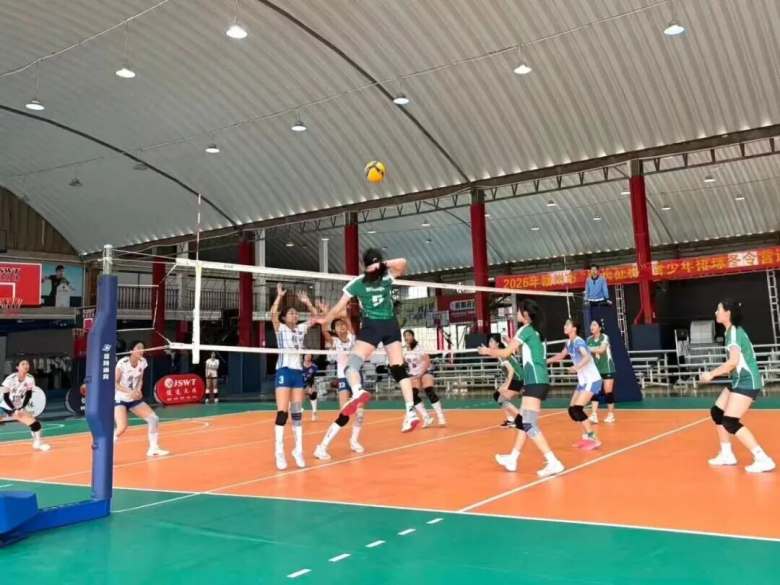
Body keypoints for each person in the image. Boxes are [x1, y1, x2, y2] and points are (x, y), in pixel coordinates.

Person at [314, 249, 420, 433]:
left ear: (364, 264)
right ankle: (410, 411)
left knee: (351, 366)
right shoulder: (386, 276)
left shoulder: (358, 282)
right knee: (398, 369)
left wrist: (325, 320)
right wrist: (382, 265)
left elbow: (338, 308)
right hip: (391, 325)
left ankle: (357, 390)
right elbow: (403, 261)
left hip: (373, 326)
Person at [478, 299, 564, 476]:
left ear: (525, 314)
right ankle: (513, 458)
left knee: (529, 424)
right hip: (537, 380)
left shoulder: (525, 329)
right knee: (523, 421)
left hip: (535, 381)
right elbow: (522, 351)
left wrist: (487, 351)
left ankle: (553, 462)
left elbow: (505, 352)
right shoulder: (537, 332)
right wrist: (511, 342)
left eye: (518, 311)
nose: (516, 313)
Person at [700, 299, 775, 473]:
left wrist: (711, 374)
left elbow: (733, 362)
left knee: (730, 421)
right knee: (717, 412)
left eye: (718, 309)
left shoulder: (733, 333)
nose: (716, 312)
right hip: (738, 380)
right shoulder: (730, 332)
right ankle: (726, 454)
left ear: (728, 314)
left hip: (747, 382)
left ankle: (762, 458)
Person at [271, 283, 317, 470]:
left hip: (297, 373)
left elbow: (316, 318)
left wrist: (308, 303)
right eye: (291, 313)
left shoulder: (301, 329)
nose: (295, 315)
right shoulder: (280, 328)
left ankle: (298, 450)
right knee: (283, 412)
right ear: (284, 317)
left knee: (297, 413)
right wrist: (279, 297)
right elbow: (273, 314)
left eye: (296, 313)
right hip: (284, 371)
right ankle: (279, 451)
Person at [315, 309, 367, 459]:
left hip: (357, 377)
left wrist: (336, 313)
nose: (341, 327)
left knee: (360, 414)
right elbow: (324, 330)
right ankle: (322, 446)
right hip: (344, 378)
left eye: (342, 325)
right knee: (344, 414)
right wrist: (326, 315)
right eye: (338, 326)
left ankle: (354, 441)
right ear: (335, 330)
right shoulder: (335, 341)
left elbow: (347, 319)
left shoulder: (352, 337)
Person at [548, 320, 602, 451]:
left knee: (577, 409)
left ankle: (593, 438)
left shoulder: (579, 341)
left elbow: (587, 357)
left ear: (574, 328)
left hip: (592, 379)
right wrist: (544, 361)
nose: (564, 326)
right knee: (572, 410)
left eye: (567, 324)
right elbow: (561, 355)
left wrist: (576, 367)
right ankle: (586, 438)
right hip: (583, 381)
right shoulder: (569, 343)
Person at [114, 341, 169, 457]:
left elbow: (140, 379)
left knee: (153, 419)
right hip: (120, 398)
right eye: (138, 348)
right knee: (122, 427)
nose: (141, 350)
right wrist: (129, 392)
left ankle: (153, 449)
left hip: (133, 398)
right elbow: (114, 383)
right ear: (131, 350)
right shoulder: (122, 363)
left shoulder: (143, 362)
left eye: (143, 348)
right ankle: (106, 447)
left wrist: (138, 390)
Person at [1, 359, 51, 451]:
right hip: (3, 405)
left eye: (27, 364)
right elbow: (6, 397)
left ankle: (38, 443)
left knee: (35, 424)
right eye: (23, 364)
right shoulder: (10, 379)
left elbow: (28, 395)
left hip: (17, 405)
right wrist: (14, 409)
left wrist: (21, 408)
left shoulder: (30, 379)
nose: (25, 366)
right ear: (17, 367)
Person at [403, 330, 446, 427]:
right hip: (414, 374)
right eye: (405, 336)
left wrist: (420, 374)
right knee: (412, 396)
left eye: (409, 335)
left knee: (429, 391)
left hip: (425, 371)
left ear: (413, 336)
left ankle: (441, 416)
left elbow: (427, 361)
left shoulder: (419, 347)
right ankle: (427, 418)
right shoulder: (404, 350)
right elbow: (402, 362)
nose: (407, 337)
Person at [587, 320, 616, 424]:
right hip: (595, 369)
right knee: (595, 391)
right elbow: (585, 353)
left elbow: (602, 350)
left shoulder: (604, 337)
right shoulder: (589, 340)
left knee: (608, 392)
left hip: (607, 368)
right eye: (591, 325)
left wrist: (588, 349)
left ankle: (611, 415)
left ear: (599, 328)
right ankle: (594, 414)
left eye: (594, 325)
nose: (592, 327)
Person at [492, 334, 523, 429]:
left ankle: (521, 419)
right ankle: (510, 420)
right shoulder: (501, 352)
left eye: (491, 341)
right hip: (514, 378)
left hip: (518, 378)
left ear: (497, 344)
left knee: (501, 399)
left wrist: (507, 385)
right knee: (497, 395)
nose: (489, 344)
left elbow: (511, 370)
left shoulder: (501, 354)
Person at [302, 354, 319, 421]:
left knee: (312, 391)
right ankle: (298, 409)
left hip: (308, 383)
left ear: (311, 357)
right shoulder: (299, 365)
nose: (307, 356)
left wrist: (310, 387)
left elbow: (311, 378)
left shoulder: (314, 367)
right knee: (298, 399)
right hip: (299, 384)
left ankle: (314, 412)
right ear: (304, 356)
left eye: (309, 355)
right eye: (306, 355)